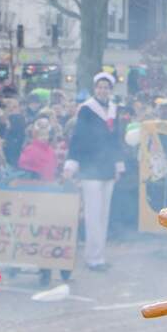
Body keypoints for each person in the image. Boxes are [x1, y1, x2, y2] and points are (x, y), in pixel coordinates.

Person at [64, 73, 126, 271]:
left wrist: (118, 165)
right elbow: (78, 138)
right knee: (93, 216)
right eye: (99, 87)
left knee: (104, 215)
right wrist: (71, 164)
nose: (102, 90)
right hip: (90, 169)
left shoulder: (113, 110)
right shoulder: (87, 110)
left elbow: (116, 140)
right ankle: (92, 258)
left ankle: (99, 255)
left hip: (107, 168)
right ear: (95, 88)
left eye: (106, 87)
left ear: (110, 90)